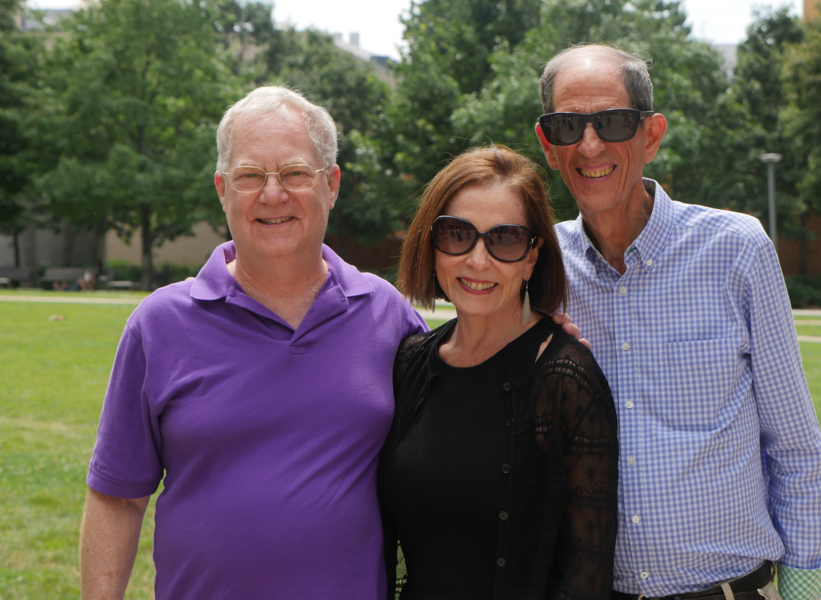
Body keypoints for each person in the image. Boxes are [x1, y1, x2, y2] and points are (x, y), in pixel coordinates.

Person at [79, 86, 429, 599]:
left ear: (331, 184)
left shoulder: (386, 315)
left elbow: (465, 401)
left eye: (293, 173)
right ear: (222, 189)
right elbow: (118, 498)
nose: (272, 195)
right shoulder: (158, 325)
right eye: (249, 176)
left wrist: (535, 338)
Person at [533, 44, 821, 599]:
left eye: (611, 122)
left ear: (651, 136)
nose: (589, 144)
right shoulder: (540, 267)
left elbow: (794, 445)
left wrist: (803, 586)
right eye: (568, 125)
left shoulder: (737, 250)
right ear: (548, 145)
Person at [379, 145, 618, 600]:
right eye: (456, 234)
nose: (478, 260)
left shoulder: (566, 380)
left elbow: (585, 583)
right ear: (431, 246)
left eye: (505, 239)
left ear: (532, 256)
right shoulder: (409, 364)